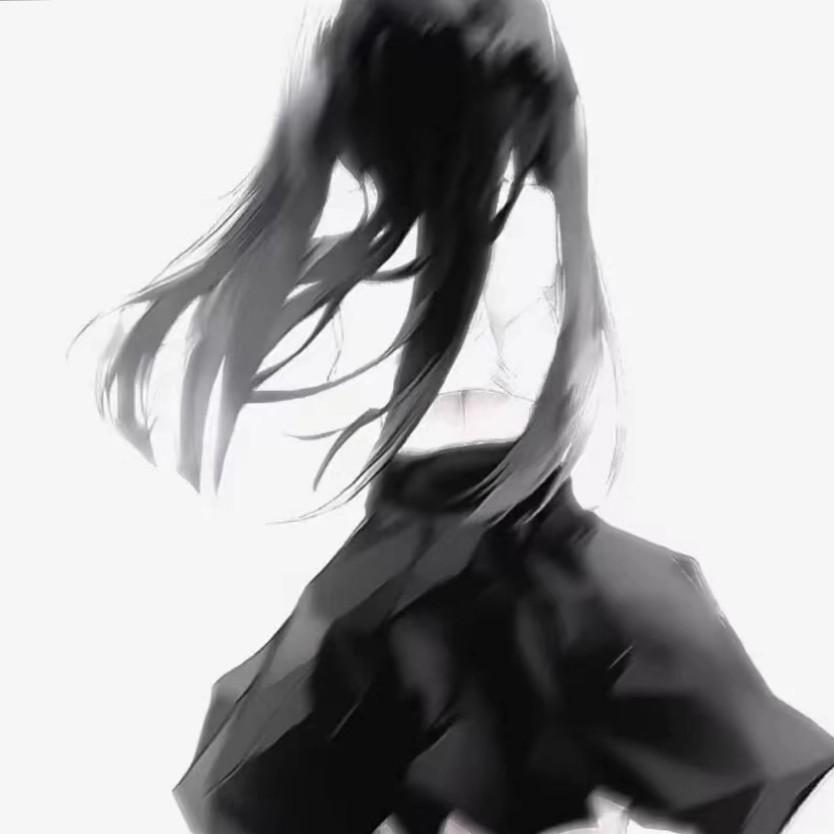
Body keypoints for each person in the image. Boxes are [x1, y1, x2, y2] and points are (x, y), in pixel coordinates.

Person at [77, 1, 834, 831]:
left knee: (503, 755)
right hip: (449, 552)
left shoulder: (503, 239)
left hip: (503, 552)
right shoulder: (456, 242)